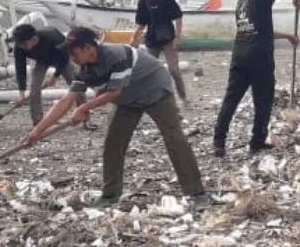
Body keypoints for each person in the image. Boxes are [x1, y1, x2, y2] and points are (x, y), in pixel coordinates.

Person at [21, 27, 207, 207]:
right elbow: (66, 100)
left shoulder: (117, 55)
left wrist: (84, 108)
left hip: (155, 91)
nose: (72, 57)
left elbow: (114, 92)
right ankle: (110, 194)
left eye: (74, 52)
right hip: (128, 99)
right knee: (113, 143)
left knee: (174, 138)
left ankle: (196, 192)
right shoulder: (84, 70)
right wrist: (37, 131)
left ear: (88, 48)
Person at [213, 0, 300, 157]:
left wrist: (287, 36)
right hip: (259, 57)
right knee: (263, 100)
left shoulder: (241, 3)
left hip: (240, 55)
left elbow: (261, 30)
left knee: (231, 100)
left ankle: (219, 143)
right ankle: (257, 141)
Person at [131, 0, 187, 102]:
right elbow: (141, 24)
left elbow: (178, 18)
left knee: (174, 70)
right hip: (152, 41)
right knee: (148, 71)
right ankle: (151, 98)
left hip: (168, 39)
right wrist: (134, 39)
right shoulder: (143, 1)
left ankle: (183, 96)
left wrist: (177, 37)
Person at [12, 23, 74, 124]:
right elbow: (20, 69)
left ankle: (84, 115)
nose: (21, 47)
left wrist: (55, 77)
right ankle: (37, 122)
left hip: (59, 56)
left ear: (33, 39)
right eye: (19, 44)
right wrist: (21, 94)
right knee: (34, 88)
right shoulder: (19, 47)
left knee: (75, 82)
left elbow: (64, 57)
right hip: (41, 60)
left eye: (24, 44)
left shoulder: (53, 38)